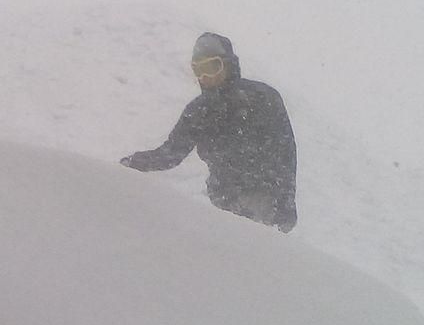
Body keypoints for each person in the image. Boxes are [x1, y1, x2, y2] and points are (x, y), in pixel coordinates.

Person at [121, 33, 297, 232]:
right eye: (198, 70)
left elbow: (285, 153)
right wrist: (132, 163)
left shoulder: (262, 98)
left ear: (228, 64)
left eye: (212, 68)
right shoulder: (199, 112)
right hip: (224, 202)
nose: (205, 78)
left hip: (262, 200)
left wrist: (285, 203)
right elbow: (170, 154)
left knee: (250, 255)